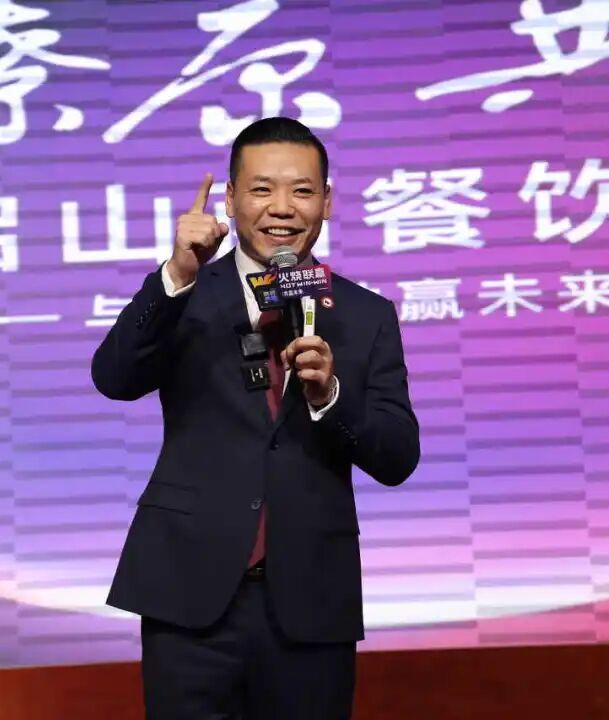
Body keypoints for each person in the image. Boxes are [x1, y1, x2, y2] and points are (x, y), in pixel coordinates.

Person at [91, 116, 420, 719]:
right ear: (230, 198)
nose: (282, 208)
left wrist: (329, 395)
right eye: (262, 189)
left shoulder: (365, 314)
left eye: (302, 190)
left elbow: (397, 456)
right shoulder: (187, 293)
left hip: (311, 599)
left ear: (327, 201)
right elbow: (114, 378)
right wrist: (176, 276)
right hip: (188, 592)